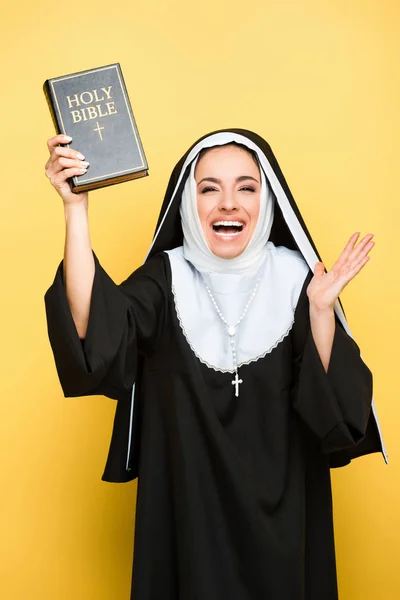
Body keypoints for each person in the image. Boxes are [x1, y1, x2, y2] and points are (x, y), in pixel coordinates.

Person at [44, 128, 387, 600]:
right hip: (188, 524)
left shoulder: (298, 280)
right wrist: (75, 208)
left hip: (285, 531)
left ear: (267, 200)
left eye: (246, 187)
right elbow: (93, 332)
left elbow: (336, 414)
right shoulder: (166, 278)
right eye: (210, 188)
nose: (229, 203)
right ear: (189, 201)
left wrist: (322, 311)